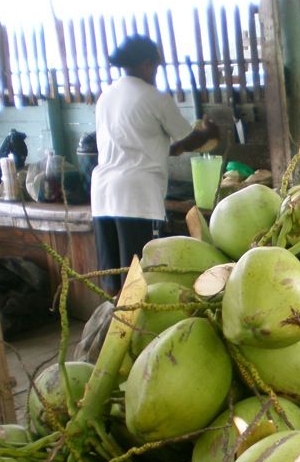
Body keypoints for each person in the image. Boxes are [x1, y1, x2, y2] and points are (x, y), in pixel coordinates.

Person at [90, 35, 219, 294]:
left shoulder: (107, 96)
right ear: (148, 64)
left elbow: (158, 145)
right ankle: (139, 331)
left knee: (114, 278)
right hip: (137, 197)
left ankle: (114, 324)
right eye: (156, 67)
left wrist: (176, 146)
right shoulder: (154, 98)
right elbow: (190, 140)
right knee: (141, 278)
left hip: (103, 195)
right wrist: (209, 131)